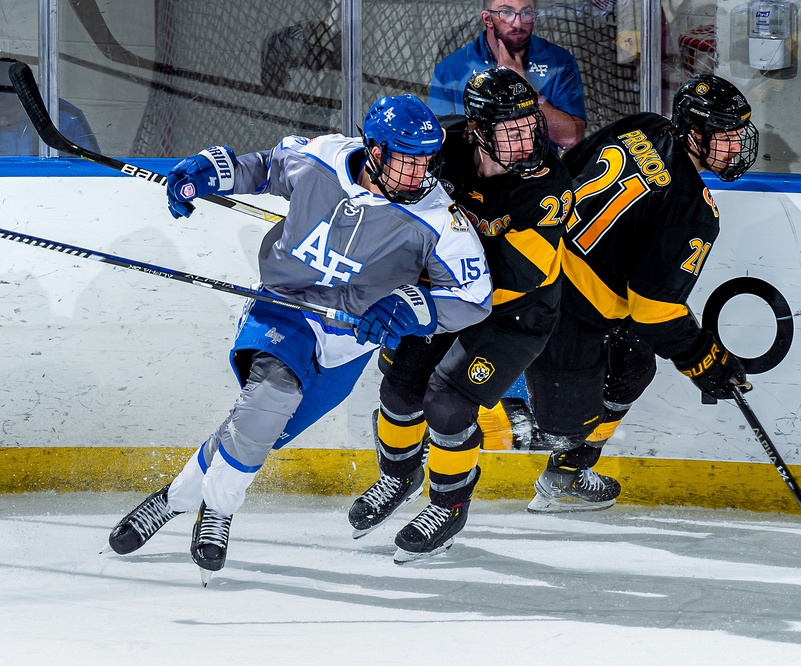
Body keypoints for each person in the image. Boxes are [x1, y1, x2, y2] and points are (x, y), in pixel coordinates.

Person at [105, 94, 493, 582]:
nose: (417, 171)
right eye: (404, 157)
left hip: (349, 341)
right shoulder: (323, 158)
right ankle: (218, 512)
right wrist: (211, 169)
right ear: (374, 149)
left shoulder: (439, 219)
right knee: (269, 399)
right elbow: (267, 167)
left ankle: (174, 499)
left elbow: (473, 299)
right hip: (284, 306)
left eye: (425, 159)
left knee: (254, 434)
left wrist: (408, 310)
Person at [348, 68, 574, 562]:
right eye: (510, 129)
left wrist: (415, 283)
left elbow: (512, 278)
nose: (527, 138)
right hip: (439, 294)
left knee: (445, 402)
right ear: (477, 129)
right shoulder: (441, 146)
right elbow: (384, 180)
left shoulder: (548, 185)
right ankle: (398, 476)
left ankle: (449, 504)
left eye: (529, 124)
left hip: (513, 313)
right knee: (399, 388)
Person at [523, 74, 759, 513]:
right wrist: (705, 361)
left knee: (632, 366)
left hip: (534, 266)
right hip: (565, 310)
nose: (736, 145)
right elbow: (654, 313)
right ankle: (427, 426)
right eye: (724, 135)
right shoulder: (694, 211)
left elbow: (567, 169)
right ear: (693, 133)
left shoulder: (642, 125)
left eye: (738, 133)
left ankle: (567, 474)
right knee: (562, 426)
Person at [428, 0, 587, 151]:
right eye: (506, 12)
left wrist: (524, 86)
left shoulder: (559, 61)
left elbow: (571, 139)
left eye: (526, 13)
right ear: (487, 18)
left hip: (541, 173)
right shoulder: (451, 70)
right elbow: (441, 143)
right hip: (476, 175)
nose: (518, 23)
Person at [0, 58, 99, 157]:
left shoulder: (67, 117)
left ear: (29, 101)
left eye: (10, 115)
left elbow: (91, 171)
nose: (2, 122)